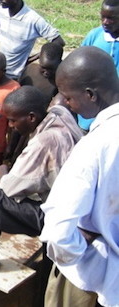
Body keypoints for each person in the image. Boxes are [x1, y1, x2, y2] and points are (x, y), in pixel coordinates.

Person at [0, 85, 83, 276]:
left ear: (31, 117)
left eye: (13, 120)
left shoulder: (45, 141)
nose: (10, 126)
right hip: (76, 210)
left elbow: (10, 188)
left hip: (60, 217)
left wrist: (4, 171)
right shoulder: (58, 114)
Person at [40, 46, 119, 307]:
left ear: (90, 95)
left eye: (68, 97)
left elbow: (59, 231)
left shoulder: (94, 146)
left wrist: (79, 255)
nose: (67, 105)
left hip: (90, 277)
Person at [0, 0, 65, 80]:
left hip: (13, 76)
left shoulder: (34, 20)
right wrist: (0, 40)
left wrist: (35, 58)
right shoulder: (2, 10)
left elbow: (59, 41)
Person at [77, 0, 119, 131]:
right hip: (88, 114)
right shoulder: (95, 36)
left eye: (111, 18)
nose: (105, 21)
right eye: (103, 16)